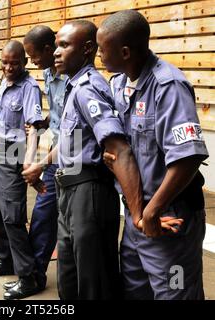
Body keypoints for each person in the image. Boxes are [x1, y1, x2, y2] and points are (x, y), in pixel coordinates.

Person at [97, 10, 209, 299]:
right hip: (137, 216)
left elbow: (188, 157)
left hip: (168, 219)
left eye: (102, 49)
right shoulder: (119, 84)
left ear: (124, 52)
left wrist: (152, 210)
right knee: (135, 290)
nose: (98, 55)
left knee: (175, 291)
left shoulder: (168, 86)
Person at [51, 20, 156, 300]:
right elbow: (71, 142)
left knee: (93, 281)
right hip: (70, 191)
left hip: (89, 192)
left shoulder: (88, 89)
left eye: (64, 45)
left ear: (87, 49)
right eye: (56, 45)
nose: (56, 52)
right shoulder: (74, 87)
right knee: (70, 279)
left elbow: (119, 148)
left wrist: (137, 213)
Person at [0, 40, 43, 300]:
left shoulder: (30, 88)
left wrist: (29, 161)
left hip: (13, 157)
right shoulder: (3, 83)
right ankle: (6, 261)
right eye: (5, 62)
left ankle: (28, 277)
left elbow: (34, 127)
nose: (9, 67)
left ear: (24, 62)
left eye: (14, 63)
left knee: (12, 218)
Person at [4, 25, 65, 292]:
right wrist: (43, 124)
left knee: (69, 226)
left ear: (48, 50)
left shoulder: (71, 78)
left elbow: (76, 132)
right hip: (59, 153)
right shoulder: (49, 73)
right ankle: (34, 277)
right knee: (43, 215)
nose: (31, 61)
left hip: (72, 157)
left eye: (33, 55)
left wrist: (40, 163)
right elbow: (60, 114)